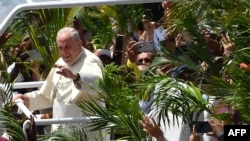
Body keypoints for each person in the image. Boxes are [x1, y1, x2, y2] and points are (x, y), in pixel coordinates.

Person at [13, 27, 107, 140]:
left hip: (85, 131)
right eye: (60, 48)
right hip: (61, 130)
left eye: (67, 47)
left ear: (79, 43)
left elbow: (99, 85)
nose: (64, 52)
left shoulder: (91, 61)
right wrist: (26, 98)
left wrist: (76, 77)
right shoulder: (60, 62)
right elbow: (46, 96)